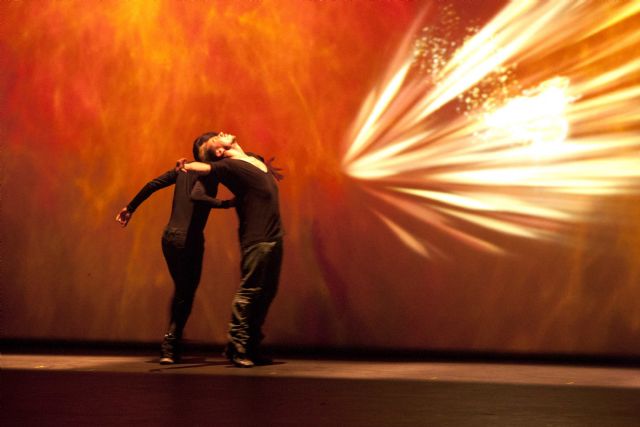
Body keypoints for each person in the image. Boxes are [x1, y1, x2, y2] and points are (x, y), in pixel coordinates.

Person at [115, 134, 233, 364]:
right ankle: (170, 343)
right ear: (205, 150)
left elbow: (152, 185)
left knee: (182, 291)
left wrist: (130, 207)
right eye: (215, 140)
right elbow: (197, 196)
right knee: (185, 293)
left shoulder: (185, 169)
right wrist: (227, 204)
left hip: (169, 239)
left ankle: (173, 340)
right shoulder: (211, 171)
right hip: (189, 240)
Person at [176, 131, 284, 368]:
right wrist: (188, 166)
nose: (220, 132)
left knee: (267, 293)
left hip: (274, 236)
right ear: (219, 151)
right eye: (215, 137)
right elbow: (207, 169)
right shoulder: (230, 166)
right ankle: (237, 346)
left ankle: (251, 346)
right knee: (251, 292)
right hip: (258, 238)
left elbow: (260, 171)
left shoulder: (251, 159)